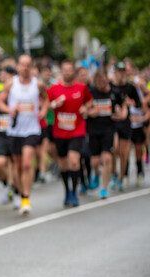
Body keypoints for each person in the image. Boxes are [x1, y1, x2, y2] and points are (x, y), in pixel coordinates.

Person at [0, 54, 48, 215]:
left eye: (28, 65)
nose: (25, 68)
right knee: (18, 166)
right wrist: (10, 110)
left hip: (32, 130)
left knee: (27, 163)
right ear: (18, 66)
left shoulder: (37, 84)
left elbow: (46, 99)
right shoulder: (11, 84)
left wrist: (43, 110)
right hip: (14, 130)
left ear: (31, 66)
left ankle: (26, 197)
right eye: (22, 64)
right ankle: (20, 193)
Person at [46, 60, 92, 207]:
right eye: (64, 70)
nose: (67, 73)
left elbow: (90, 101)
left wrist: (85, 107)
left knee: (74, 161)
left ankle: (74, 191)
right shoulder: (54, 89)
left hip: (77, 130)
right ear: (61, 72)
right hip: (60, 132)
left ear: (74, 72)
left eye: (70, 70)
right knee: (64, 164)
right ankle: (67, 191)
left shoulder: (82, 88)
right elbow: (45, 106)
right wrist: (53, 105)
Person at [87, 70, 123, 199]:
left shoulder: (113, 93)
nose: (102, 84)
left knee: (107, 158)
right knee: (95, 161)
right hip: (93, 129)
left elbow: (121, 106)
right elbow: (84, 110)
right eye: (99, 82)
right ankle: (96, 174)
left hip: (108, 129)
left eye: (104, 81)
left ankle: (104, 188)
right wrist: (91, 112)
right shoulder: (90, 92)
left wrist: (121, 114)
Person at [110, 62, 142, 191]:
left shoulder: (130, 87)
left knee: (124, 153)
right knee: (114, 149)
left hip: (126, 123)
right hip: (112, 122)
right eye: (119, 71)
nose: (121, 73)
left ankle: (121, 178)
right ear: (115, 72)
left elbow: (139, 104)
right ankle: (113, 174)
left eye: (123, 71)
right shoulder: (110, 86)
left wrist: (132, 103)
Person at [0, 66, 17, 204]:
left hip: (15, 132)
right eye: (2, 74)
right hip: (1, 131)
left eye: (7, 75)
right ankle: (9, 184)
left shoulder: (19, 90)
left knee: (14, 164)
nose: (4, 77)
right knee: (0, 164)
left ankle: (13, 190)